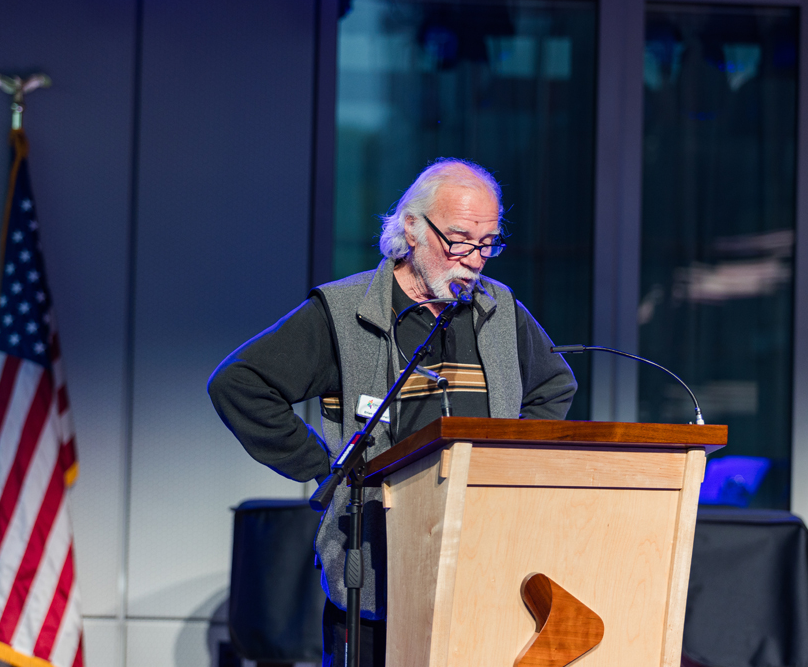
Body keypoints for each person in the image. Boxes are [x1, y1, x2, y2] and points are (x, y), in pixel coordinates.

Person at [208, 158, 576, 667]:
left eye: (487, 243)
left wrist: (510, 468)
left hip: (482, 569)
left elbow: (554, 385)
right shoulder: (343, 313)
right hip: (378, 574)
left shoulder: (500, 310)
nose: (475, 259)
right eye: (460, 240)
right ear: (412, 227)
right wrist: (327, 468)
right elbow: (239, 383)